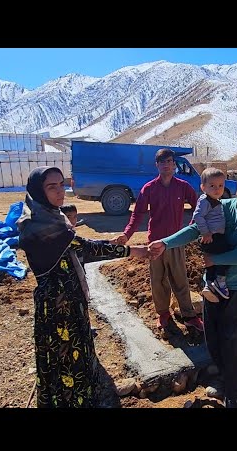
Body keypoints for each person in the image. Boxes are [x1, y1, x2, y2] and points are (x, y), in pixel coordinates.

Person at [18, 166, 150, 408]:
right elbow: (85, 248)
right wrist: (131, 251)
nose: (60, 191)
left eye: (61, 184)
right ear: (38, 190)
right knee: (64, 357)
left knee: (74, 354)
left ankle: (79, 399)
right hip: (58, 308)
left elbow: (79, 247)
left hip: (71, 300)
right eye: (51, 187)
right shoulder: (39, 227)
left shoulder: (52, 217)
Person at [149, 156, 237, 408]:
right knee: (214, 337)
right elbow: (196, 228)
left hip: (236, 288)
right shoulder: (223, 205)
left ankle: (234, 389)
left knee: (235, 342)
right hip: (211, 286)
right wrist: (165, 242)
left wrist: (215, 258)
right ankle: (221, 377)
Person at [111, 148, 204, 333]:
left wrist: (191, 229)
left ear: (174, 164)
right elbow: (137, 214)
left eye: (169, 161)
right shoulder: (149, 188)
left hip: (175, 242)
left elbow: (198, 207)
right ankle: (163, 314)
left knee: (180, 279)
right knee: (158, 280)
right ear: (157, 165)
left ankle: (189, 316)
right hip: (154, 243)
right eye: (162, 162)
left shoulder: (183, 187)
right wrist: (126, 235)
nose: (166, 164)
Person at [192, 167, 230, 303]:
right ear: (203, 187)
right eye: (212, 186)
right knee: (224, 255)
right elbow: (197, 216)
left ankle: (209, 284)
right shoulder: (205, 201)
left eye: (220, 185)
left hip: (213, 235)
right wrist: (206, 232)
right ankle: (220, 280)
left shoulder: (214, 201)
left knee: (211, 261)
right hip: (213, 236)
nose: (217, 189)